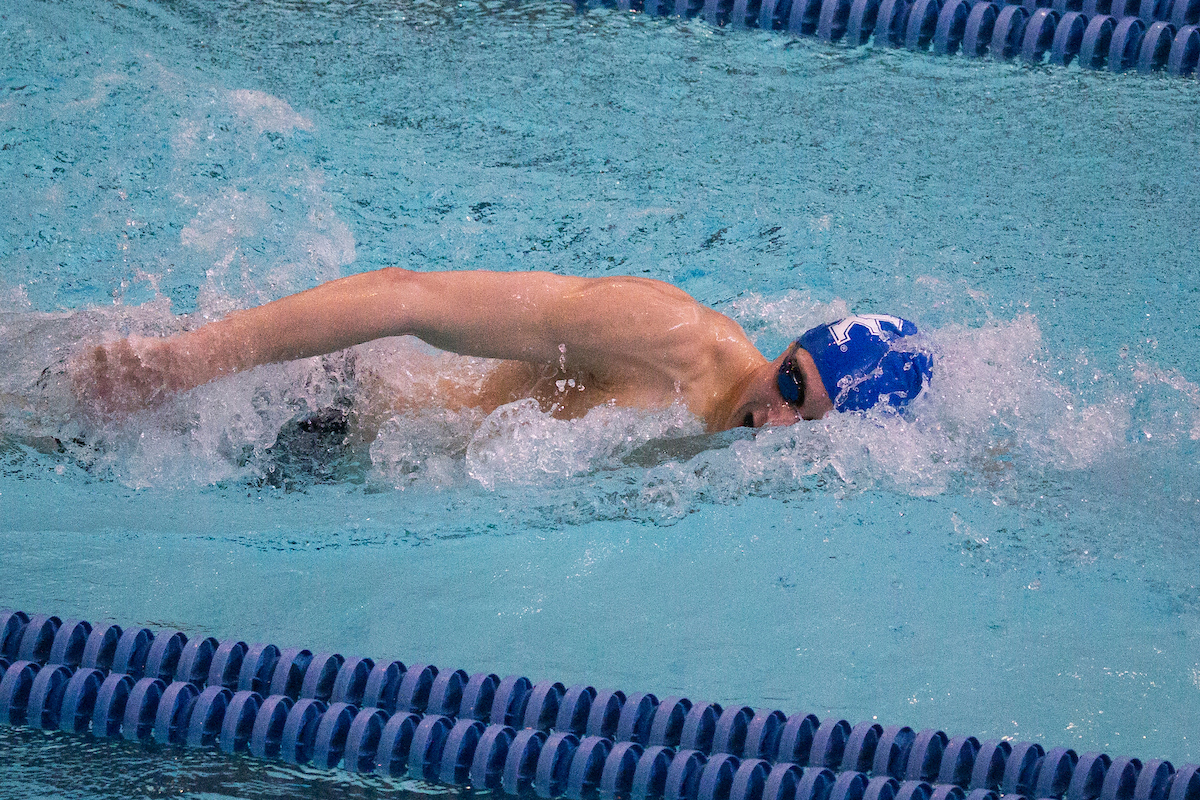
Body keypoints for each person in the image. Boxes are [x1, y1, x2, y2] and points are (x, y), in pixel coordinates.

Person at [72, 268, 932, 432]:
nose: (772, 408)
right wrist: (185, 363)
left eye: (801, 411)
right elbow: (406, 296)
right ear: (784, 347)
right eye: (788, 373)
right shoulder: (665, 338)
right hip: (307, 408)